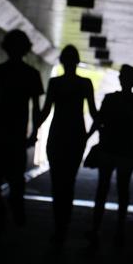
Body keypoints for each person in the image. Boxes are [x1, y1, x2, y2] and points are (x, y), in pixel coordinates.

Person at [35, 45, 97, 245]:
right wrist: (90, 134)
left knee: (57, 182)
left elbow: (45, 112)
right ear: (77, 61)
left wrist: (32, 132)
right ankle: (64, 225)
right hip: (76, 136)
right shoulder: (85, 84)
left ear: (61, 61)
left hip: (57, 135)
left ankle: (58, 225)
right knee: (68, 182)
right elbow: (95, 114)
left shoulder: (55, 83)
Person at [85, 64, 133, 248]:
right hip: (126, 152)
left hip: (108, 149)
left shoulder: (110, 99)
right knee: (123, 190)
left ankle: (96, 228)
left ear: (121, 80)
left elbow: (99, 120)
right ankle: (119, 230)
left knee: (102, 189)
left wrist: (86, 137)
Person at [0, 29, 44, 228]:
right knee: (15, 178)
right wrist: (34, 134)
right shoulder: (32, 74)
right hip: (17, 135)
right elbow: (36, 109)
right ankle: (16, 210)